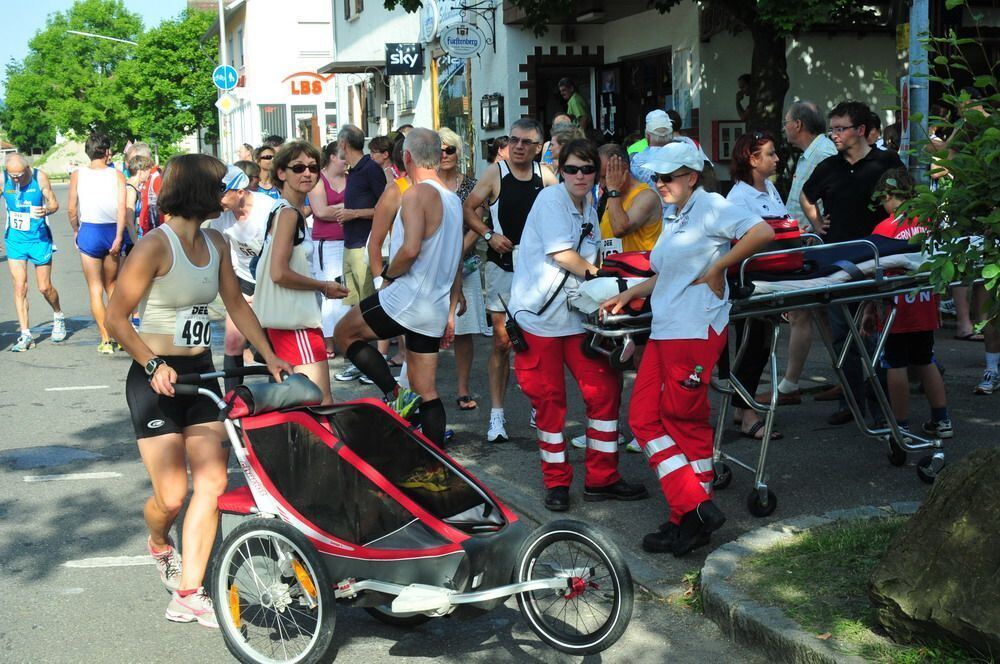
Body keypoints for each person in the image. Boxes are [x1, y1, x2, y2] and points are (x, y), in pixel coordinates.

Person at [105, 153, 292, 629]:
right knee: (171, 496)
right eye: (224, 187)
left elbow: (235, 303)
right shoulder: (154, 247)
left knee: (210, 482)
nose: (234, 194)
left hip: (200, 375)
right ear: (201, 192)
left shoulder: (216, 242)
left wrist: (268, 354)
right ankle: (159, 542)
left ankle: (189, 592)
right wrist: (151, 363)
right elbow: (115, 318)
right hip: (154, 378)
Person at [602, 141, 774, 556]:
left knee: (679, 420)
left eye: (667, 177)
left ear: (692, 176)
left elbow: (762, 232)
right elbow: (669, 275)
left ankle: (689, 514)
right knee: (648, 419)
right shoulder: (678, 213)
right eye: (655, 177)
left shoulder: (711, 205)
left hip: (694, 329)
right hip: (667, 328)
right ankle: (693, 510)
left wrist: (719, 267)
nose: (658, 183)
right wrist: (630, 294)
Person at [510, 138, 648, 512]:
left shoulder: (587, 202)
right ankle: (557, 483)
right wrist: (600, 275)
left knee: (603, 391)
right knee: (550, 402)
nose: (580, 175)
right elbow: (562, 253)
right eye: (572, 168)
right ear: (561, 169)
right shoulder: (552, 200)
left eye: (588, 169)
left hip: (576, 317)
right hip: (539, 320)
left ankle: (603, 478)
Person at [334, 128, 464, 447]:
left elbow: (409, 249)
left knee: (343, 333)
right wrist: (451, 304)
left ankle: (394, 394)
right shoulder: (452, 197)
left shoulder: (417, 194)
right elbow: (457, 255)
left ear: (406, 157)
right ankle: (436, 467)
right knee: (427, 390)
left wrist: (389, 277)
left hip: (408, 298)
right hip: (432, 305)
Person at [801, 100, 904, 425]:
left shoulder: (886, 161)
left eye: (840, 128)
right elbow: (806, 194)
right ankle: (851, 401)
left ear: (860, 130)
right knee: (841, 334)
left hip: (878, 261)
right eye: (832, 129)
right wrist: (816, 222)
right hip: (838, 263)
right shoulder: (829, 167)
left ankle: (881, 406)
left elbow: (904, 199)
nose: (834, 135)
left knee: (874, 334)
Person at [462, 118, 559, 442]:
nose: (518, 146)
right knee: (503, 342)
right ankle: (497, 416)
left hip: (537, 270)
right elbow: (468, 209)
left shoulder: (545, 176)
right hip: (503, 265)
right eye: (514, 140)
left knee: (537, 341)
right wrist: (489, 234)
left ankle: (537, 406)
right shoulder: (496, 173)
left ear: (537, 147)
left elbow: (560, 212)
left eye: (525, 142)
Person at [255, 141, 349, 404]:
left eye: (312, 167)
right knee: (319, 403)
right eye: (298, 167)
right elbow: (278, 273)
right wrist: (323, 286)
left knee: (299, 403)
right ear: (281, 173)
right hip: (295, 324)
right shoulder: (288, 214)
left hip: (285, 322)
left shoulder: (284, 210)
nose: (307, 173)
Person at [862, 168, 952, 438]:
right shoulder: (928, 223)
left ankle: (899, 424)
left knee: (896, 364)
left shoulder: (883, 229)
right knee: (926, 359)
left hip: (895, 308)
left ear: (888, 195)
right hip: (924, 303)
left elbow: (871, 273)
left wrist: (868, 308)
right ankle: (941, 419)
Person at [765, 101, 838, 406]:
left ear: (798, 125)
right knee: (819, 313)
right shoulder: (813, 152)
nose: (784, 127)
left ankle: (790, 385)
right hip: (804, 240)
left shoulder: (822, 153)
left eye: (786, 121)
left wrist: (815, 227)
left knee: (802, 312)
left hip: (811, 243)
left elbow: (826, 197)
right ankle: (846, 375)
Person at [725, 131, 787, 440]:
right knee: (752, 343)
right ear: (753, 159)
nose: (777, 159)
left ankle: (742, 406)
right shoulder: (738, 198)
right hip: (750, 278)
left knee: (762, 343)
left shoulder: (770, 188)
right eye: (771, 154)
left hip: (772, 274)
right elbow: (743, 241)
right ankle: (747, 414)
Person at [210, 166, 278, 392]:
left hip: (274, 281)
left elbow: (281, 256)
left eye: (222, 193)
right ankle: (232, 401)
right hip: (245, 281)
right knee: (232, 341)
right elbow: (224, 260)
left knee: (273, 344)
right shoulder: (221, 219)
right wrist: (237, 295)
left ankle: (279, 397)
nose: (217, 200)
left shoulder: (269, 209)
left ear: (240, 191)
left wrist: (261, 296)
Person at [333, 124, 388, 383]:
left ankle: (376, 363)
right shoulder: (354, 171)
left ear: (344, 143)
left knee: (368, 308)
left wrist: (353, 213)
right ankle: (360, 362)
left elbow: (386, 208)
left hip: (365, 246)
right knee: (356, 306)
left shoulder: (370, 169)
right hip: (350, 244)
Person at [438, 127, 488, 411]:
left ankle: (463, 388)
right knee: (426, 328)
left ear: (459, 153)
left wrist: (455, 254)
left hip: (464, 265)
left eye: (450, 149)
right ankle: (424, 388)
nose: (444, 155)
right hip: (431, 267)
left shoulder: (471, 184)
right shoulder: (427, 184)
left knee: (463, 330)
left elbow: (478, 225)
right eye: (439, 150)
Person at [68, 131, 127, 355]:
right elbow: (122, 208)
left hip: (90, 229)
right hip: (111, 229)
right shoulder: (117, 176)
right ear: (106, 152)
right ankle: (120, 335)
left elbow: (72, 208)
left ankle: (105, 339)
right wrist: (119, 236)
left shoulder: (78, 174)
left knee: (94, 287)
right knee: (112, 285)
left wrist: (76, 229)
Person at [3, 153, 66, 351]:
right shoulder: (3, 179)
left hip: (39, 239)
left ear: (27, 169)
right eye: (12, 175)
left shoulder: (40, 177)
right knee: (20, 287)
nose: (16, 179)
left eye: (19, 175)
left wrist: (46, 210)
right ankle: (25, 334)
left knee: (44, 287)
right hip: (15, 241)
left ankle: (58, 314)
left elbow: (55, 204)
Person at [309, 142, 350, 358]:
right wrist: (348, 209)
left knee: (347, 293)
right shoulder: (319, 180)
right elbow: (320, 211)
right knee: (328, 291)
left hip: (348, 241)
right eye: (343, 157)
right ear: (333, 157)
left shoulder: (350, 179)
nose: (347, 161)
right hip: (326, 242)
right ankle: (328, 341)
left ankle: (344, 336)